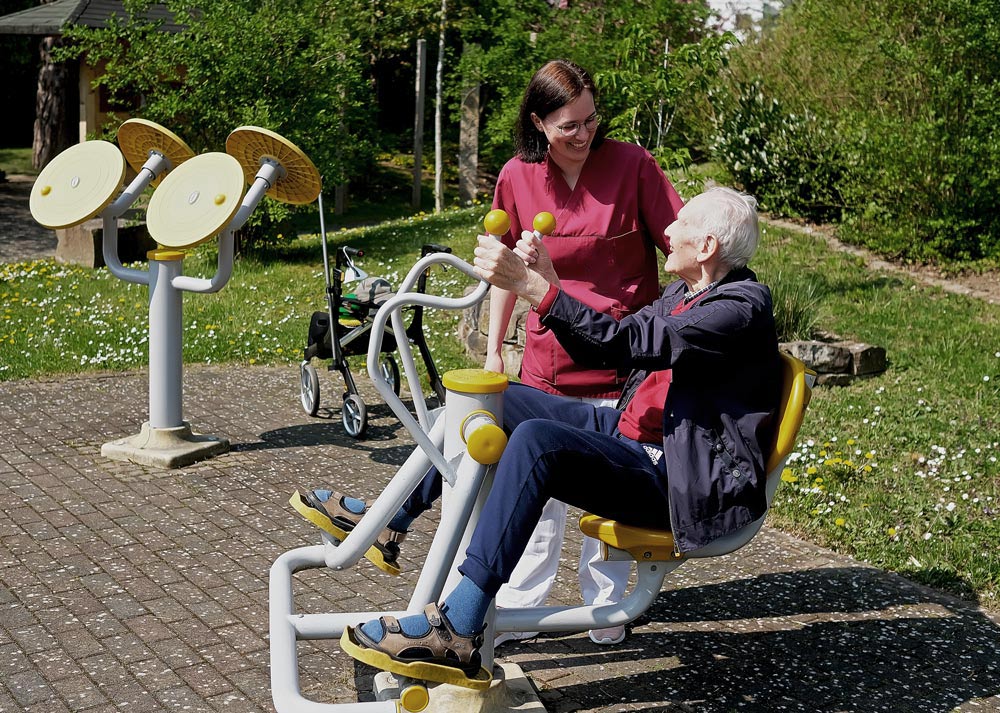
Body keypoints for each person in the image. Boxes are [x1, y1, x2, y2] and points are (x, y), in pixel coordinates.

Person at [292, 58, 685, 646]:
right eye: (568, 126)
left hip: (621, 369)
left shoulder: (632, 166)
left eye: (590, 120)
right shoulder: (518, 177)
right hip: (550, 362)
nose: (583, 135)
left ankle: (609, 614)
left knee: (600, 512)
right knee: (527, 491)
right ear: (538, 123)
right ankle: (500, 613)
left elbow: (684, 252)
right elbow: (505, 272)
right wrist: (496, 350)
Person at [333, 186, 782, 686]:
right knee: (490, 398)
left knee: (537, 442)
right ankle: (390, 520)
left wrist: (533, 288)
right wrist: (548, 283)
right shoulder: (687, 292)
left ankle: (457, 629)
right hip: (638, 436)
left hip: (677, 475)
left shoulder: (739, 308)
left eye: (681, 225)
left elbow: (630, 343)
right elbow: (610, 343)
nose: (668, 231)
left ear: (707, 247)